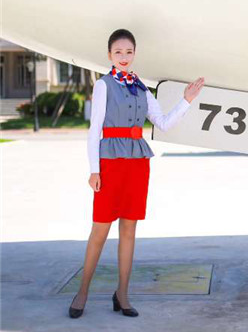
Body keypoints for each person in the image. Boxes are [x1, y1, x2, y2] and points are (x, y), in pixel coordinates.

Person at [68, 29, 204, 319]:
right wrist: (94, 170)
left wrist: (186, 100)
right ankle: (82, 292)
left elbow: (163, 123)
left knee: (129, 230)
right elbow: (94, 130)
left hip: (137, 164)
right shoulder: (103, 85)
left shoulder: (142, 88)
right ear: (109, 55)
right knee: (100, 230)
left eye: (128, 52)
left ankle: (123, 294)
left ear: (134, 54)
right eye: (118, 52)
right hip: (109, 163)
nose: (124, 57)